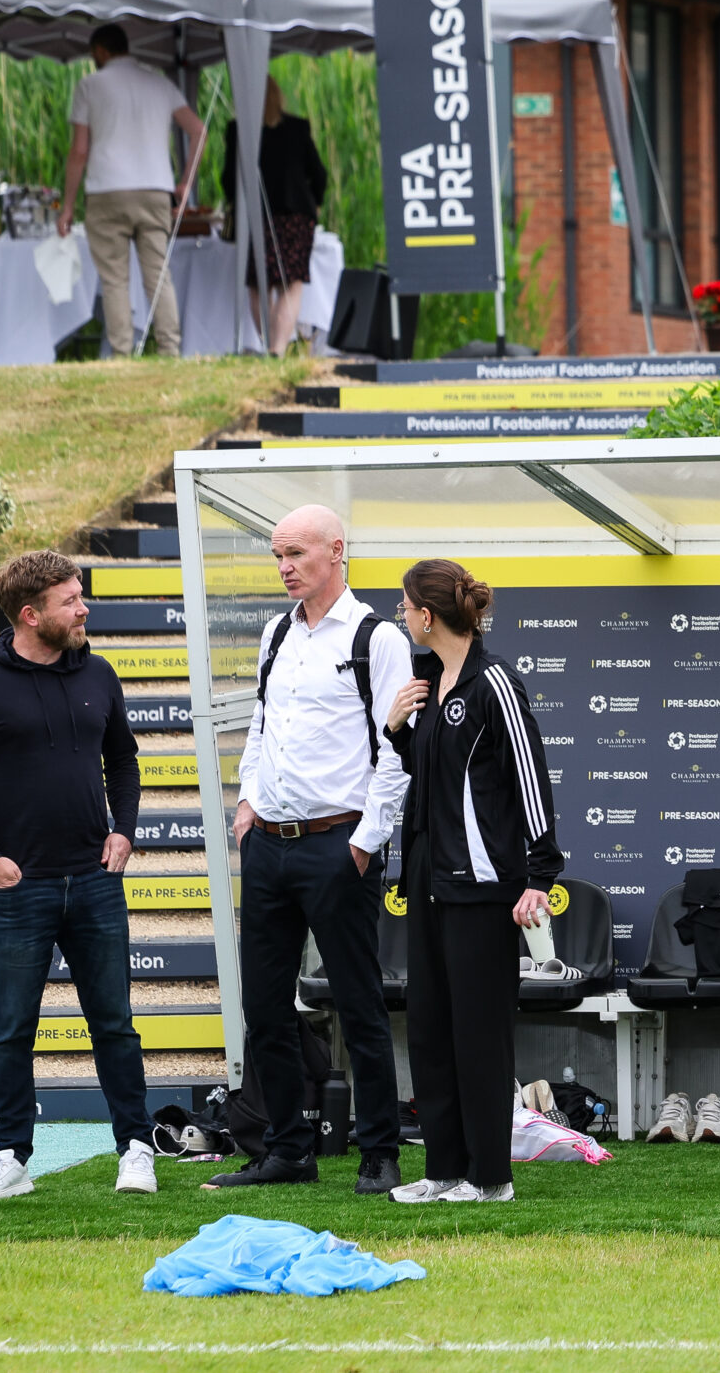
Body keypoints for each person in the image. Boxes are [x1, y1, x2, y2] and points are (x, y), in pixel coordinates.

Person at [0, 550, 155, 1199]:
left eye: (80, 596)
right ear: (30, 615)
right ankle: (10, 1155)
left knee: (114, 1023)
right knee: (10, 1030)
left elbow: (124, 760)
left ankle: (136, 1148)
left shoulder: (100, 673)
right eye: (70, 601)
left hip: (95, 880)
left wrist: (124, 829)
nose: (84, 609)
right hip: (18, 888)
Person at [211, 505, 412, 1195]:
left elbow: (396, 749)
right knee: (264, 1008)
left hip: (338, 845)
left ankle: (379, 1152)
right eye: (277, 555)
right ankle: (286, 1151)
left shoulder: (376, 637)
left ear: (336, 550)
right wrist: (247, 802)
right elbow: (261, 722)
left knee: (359, 1005)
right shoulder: (277, 632)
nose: (284, 567)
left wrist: (364, 842)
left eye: (295, 553)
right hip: (268, 845)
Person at [382, 559, 563, 1204]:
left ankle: (491, 1178)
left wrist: (539, 874)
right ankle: (444, 1172)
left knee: (479, 1038)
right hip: (429, 885)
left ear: (428, 615)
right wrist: (397, 730)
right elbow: (432, 776)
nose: (402, 616)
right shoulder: (429, 682)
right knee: (431, 1032)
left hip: (485, 890)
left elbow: (529, 776)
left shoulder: (495, 682)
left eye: (405, 606)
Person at [59, 22, 206, 359]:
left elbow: (79, 151)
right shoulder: (160, 83)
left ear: (100, 51)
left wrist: (67, 206)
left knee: (114, 279)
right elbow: (198, 130)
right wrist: (185, 182)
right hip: (155, 190)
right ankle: (170, 349)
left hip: (107, 191)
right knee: (158, 274)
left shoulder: (90, 86)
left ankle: (122, 354)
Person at [220, 74, 330, 354]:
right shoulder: (297, 127)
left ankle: (269, 345)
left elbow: (229, 179)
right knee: (291, 284)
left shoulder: (237, 130)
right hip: (296, 217)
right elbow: (319, 173)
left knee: (259, 285)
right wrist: (315, 202)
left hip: (254, 216)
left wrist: (234, 203)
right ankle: (278, 349)